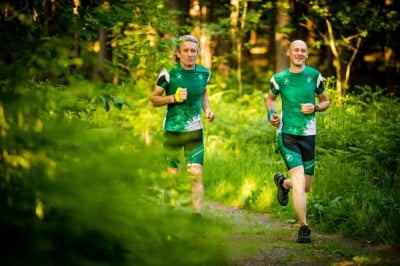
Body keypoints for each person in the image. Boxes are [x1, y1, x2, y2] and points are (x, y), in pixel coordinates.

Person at [266, 40, 330, 243]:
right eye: (296, 50)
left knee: (305, 186)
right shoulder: (279, 78)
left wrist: (316, 108)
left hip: (309, 134)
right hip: (287, 134)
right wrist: (271, 115)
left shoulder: (314, 76)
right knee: (300, 182)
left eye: (303, 50)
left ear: (307, 54)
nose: (299, 53)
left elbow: (325, 101)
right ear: (288, 53)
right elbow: (270, 99)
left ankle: (283, 184)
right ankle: (304, 227)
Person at [149, 34, 215, 219]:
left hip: (195, 131)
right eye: (185, 51)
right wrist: (173, 98)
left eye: (193, 51)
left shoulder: (204, 73)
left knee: (196, 174)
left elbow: (203, 93)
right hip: (172, 130)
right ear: (178, 53)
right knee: (172, 174)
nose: (190, 54)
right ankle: (169, 213)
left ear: (198, 52)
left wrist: (208, 110)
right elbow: (152, 100)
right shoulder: (168, 73)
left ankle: (196, 218)